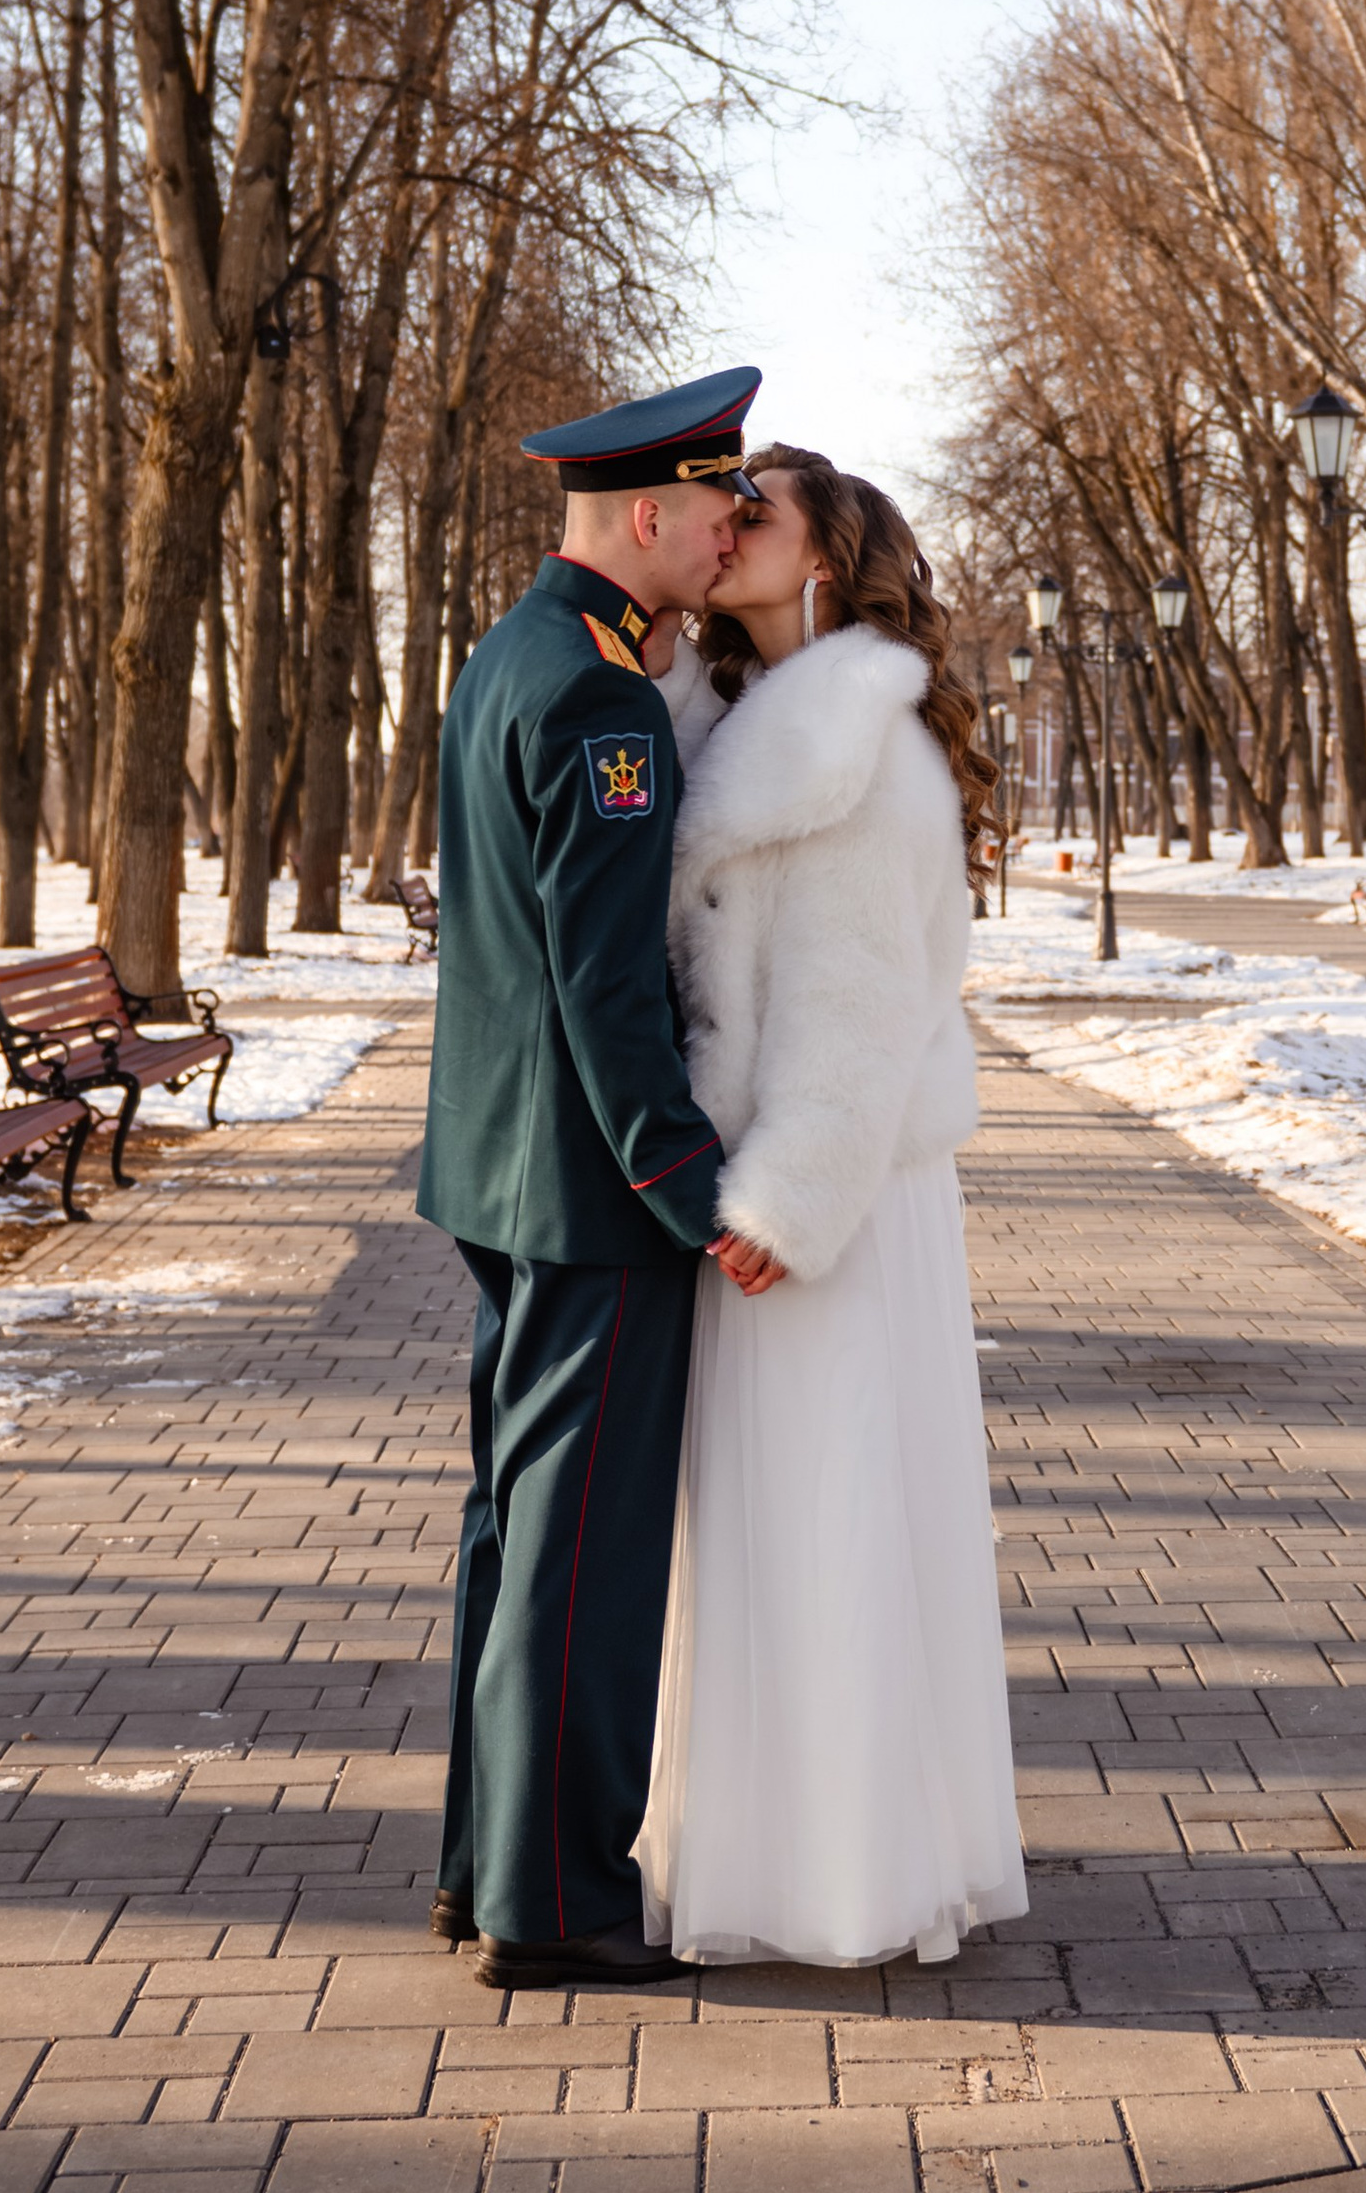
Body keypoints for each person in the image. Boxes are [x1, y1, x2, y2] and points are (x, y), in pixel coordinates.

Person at [417, 364, 786, 1994]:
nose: (730, 529)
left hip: (501, 1173)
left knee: (514, 1535)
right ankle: (556, 1899)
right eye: (716, 502)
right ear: (646, 513)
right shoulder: (605, 704)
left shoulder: (514, 653)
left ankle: (484, 1864)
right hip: (591, 1192)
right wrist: (686, 1181)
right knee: (582, 1558)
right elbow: (603, 982)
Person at [636, 442, 1026, 1969]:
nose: (727, 523)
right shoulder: (756, 719)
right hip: (785, 1181)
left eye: (760, 509)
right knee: (777, 1519)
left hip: (828, 1197)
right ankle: (783, 1843)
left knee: (832, 1511)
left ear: (821, 555)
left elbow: (861, 1004)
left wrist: (785, 1198)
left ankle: (848, 1874)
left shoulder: (859, 738)